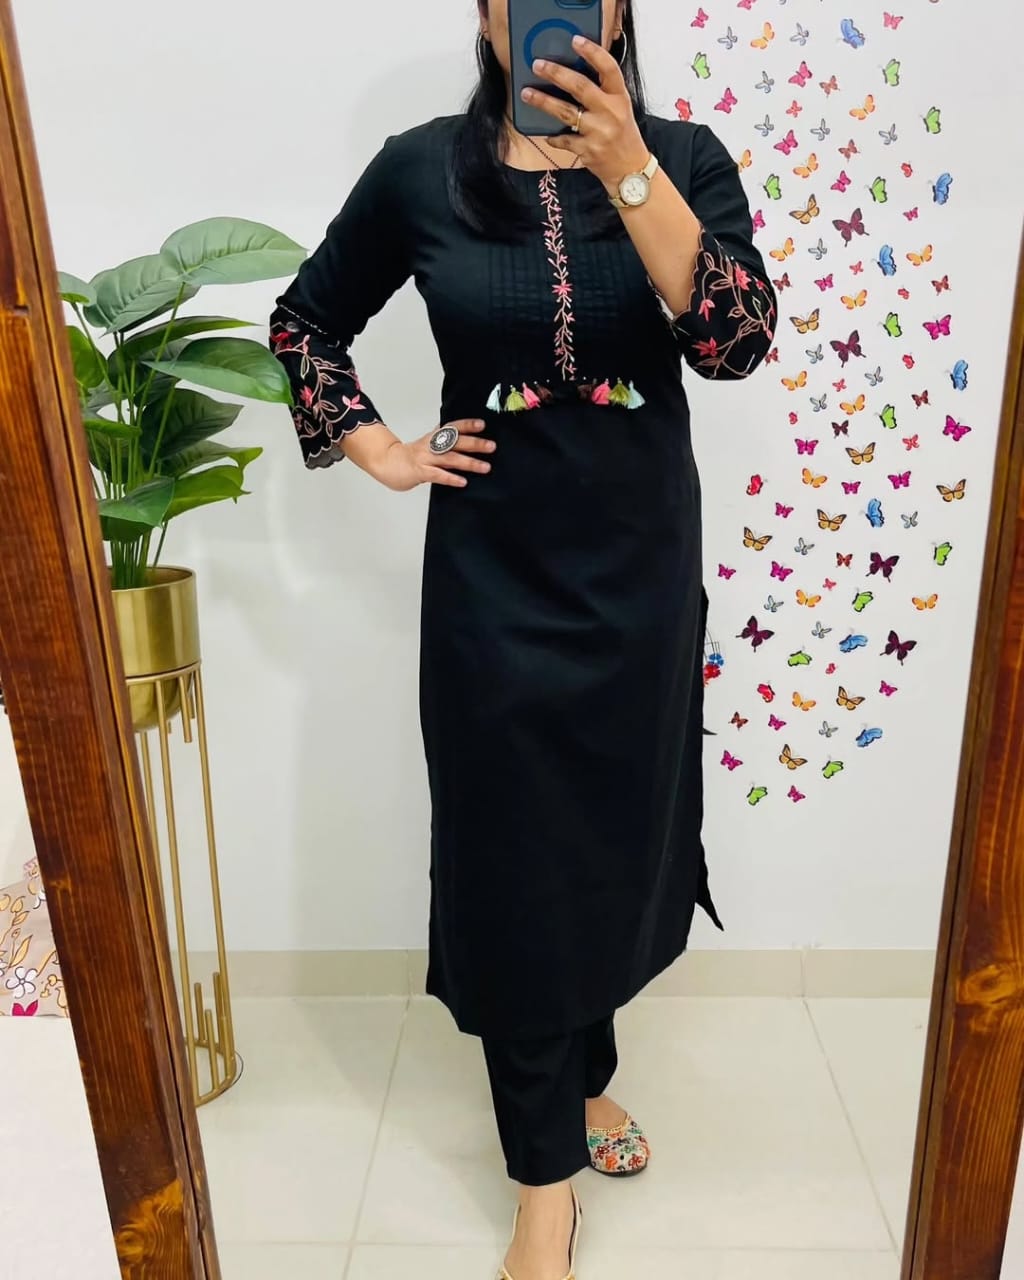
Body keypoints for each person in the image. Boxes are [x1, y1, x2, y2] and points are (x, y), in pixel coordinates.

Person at [269, 3, 776, 1276]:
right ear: (488, 12)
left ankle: (583, 1074)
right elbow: (305, 320)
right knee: (513, 869)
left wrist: (628, 167)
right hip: (492, 580)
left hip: (637, 580)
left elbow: (734, 342)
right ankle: (542, 1186)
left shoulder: (684, 157)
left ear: (618, 9)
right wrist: (380, 448)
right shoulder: (420, 171)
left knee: (609, 841)